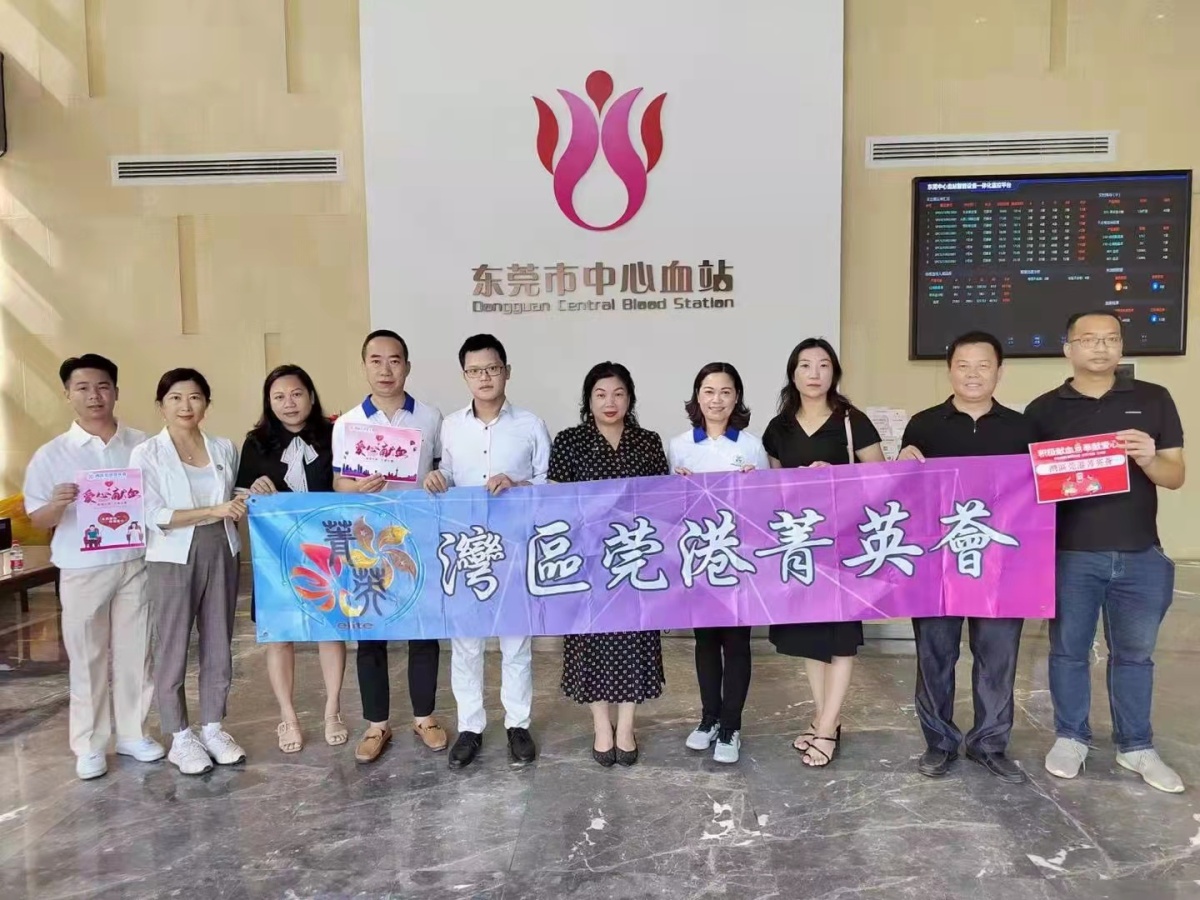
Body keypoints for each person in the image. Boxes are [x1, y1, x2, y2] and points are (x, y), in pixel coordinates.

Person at [1025, 311, 1186, 794]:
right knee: (1068, 652)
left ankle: (1136, 745)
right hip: (1071, 553)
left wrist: (1149, 458)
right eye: (1089, 339)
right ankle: (1070, 737)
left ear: (1121, 346)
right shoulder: (1042, 410)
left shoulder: (1153, 399)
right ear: (1068, 348)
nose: (1100, 347)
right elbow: (1024, 484)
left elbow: (1175, 475)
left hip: (1140, 553)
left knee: (1135, 656)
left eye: (1110, 339)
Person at [897, 331, 1035, 784]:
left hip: (1002, 567)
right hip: (939, 565)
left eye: (983, 365)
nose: (973, 374)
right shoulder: (923, 425)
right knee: (934, 655)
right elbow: (908, 495)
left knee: (998, 657)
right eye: (963, 365)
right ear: (949, 370)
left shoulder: (1023, 429)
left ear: (999, 371)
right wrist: (902, 462)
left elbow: (1038, 498)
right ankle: (938, 742)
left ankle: (989, 743)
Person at [22, 354, 160, 780]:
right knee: (87, 657)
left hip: (136, 562)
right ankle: (90, 744)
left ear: (116, 391)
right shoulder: (52, 454)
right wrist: (57, 504)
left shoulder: (143, 445)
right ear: (68, 395)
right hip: (83, 569)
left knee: (138, 653)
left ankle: (134, 734)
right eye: (82, 388)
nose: (94, 395)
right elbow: (36, 517)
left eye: (102, 386)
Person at [424, 334, 551, 770]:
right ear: (465, 376)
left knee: (515, 641)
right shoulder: (451, 426)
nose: (484, 377)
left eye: (492, 368)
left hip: (514, 547)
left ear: (507, 372)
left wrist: (518, 485)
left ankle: (518, 724)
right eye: (475, 371)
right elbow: (446, 473)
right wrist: (438, 479)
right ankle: (470, 728)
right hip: (466, 548)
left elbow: (548, 484)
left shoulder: (530, 424)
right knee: (466, 643)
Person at [762, 338, 884, 768]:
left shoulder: (853, 421)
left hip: (843, 546)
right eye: (805, 365)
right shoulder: (778, 428)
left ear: (834, 373)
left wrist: (838, 476)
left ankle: (829, 727)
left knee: (841, 638)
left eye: (823, 365)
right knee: (812, 639)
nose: (814, 373)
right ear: (792, 373)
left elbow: (880, 480)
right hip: (801, 549)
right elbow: (773, 491)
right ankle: (822, 719)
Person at [333, 330, 447, 763]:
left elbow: (442, 471)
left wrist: (438, 479)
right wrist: (356, 487)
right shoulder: (347, 423)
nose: (386, 369)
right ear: (364, 366)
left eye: (394, 360)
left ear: (407, 366)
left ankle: (425, 717)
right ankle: (376, 724)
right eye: (376, 360)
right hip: (367, 539)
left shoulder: (430, 417)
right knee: (371, 633)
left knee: (424, 630)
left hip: (419, 537)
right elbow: (338, 483)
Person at [548, 362, 669, 768]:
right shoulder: (570, 442)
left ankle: (626, 726)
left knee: (635, 638)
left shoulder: (647, 442)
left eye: (618, 393)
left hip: (635, 559)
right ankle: (601, 725)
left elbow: (662, 500)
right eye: (600, 394)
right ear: (589, 400)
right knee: (591, 641)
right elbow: (556, 502)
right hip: (587, 561)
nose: (610, 402)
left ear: (630, 398)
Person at [131, 369, 246, 776]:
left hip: (221, 546)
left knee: (219, 640)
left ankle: (213, 727)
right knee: (173, 643)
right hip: (172, 553)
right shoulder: (147, 453)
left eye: (195, 397)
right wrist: (212, 510)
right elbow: (152, 513)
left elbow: (233, 494)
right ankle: (179, 735)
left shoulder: (224, 447)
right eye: (175, 398)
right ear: (161, 405)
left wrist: (248, 495)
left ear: (206, 404)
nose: (186, 406)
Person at [236, 364, 348, 754]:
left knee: (330, 629)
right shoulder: (255, 443)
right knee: (280, 636)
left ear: (311, 397)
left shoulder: (335, 435)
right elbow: (242, 500)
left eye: (297, 394)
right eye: (279, 397)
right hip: (276, 556)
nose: (289, 403)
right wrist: (254, 489)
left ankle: (333, 710)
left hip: (326, 552)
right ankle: (288, 716)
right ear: (268, 402)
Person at [667, 362, 768, 764]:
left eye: (726, 392)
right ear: (697, 396)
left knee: (737, 642)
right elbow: (667, 507)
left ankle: (731, 726)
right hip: (698, 559)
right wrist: (676, 484)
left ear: (736, 397)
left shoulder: (752, 446)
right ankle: (709, 718)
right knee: (705, 641)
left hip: (738, 559)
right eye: (709, 391)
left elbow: (766, 506)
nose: (717, 400)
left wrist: (754, 483)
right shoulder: (678, 445)